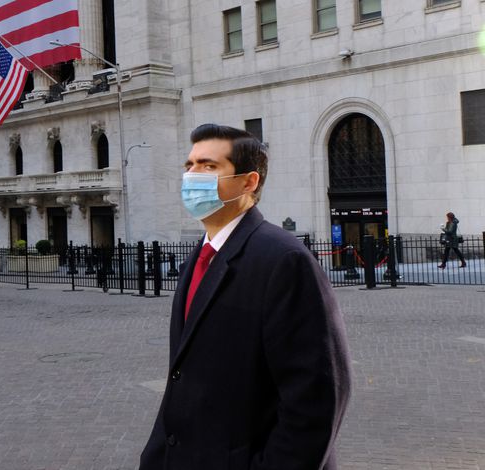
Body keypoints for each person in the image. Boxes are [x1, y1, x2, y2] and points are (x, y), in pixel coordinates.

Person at [140, 124, 352, 470]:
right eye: (189, 165)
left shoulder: (284, 260)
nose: (192, 176)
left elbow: (315, 400)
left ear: (248, 182)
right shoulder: (198, 257)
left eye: (209, 166)